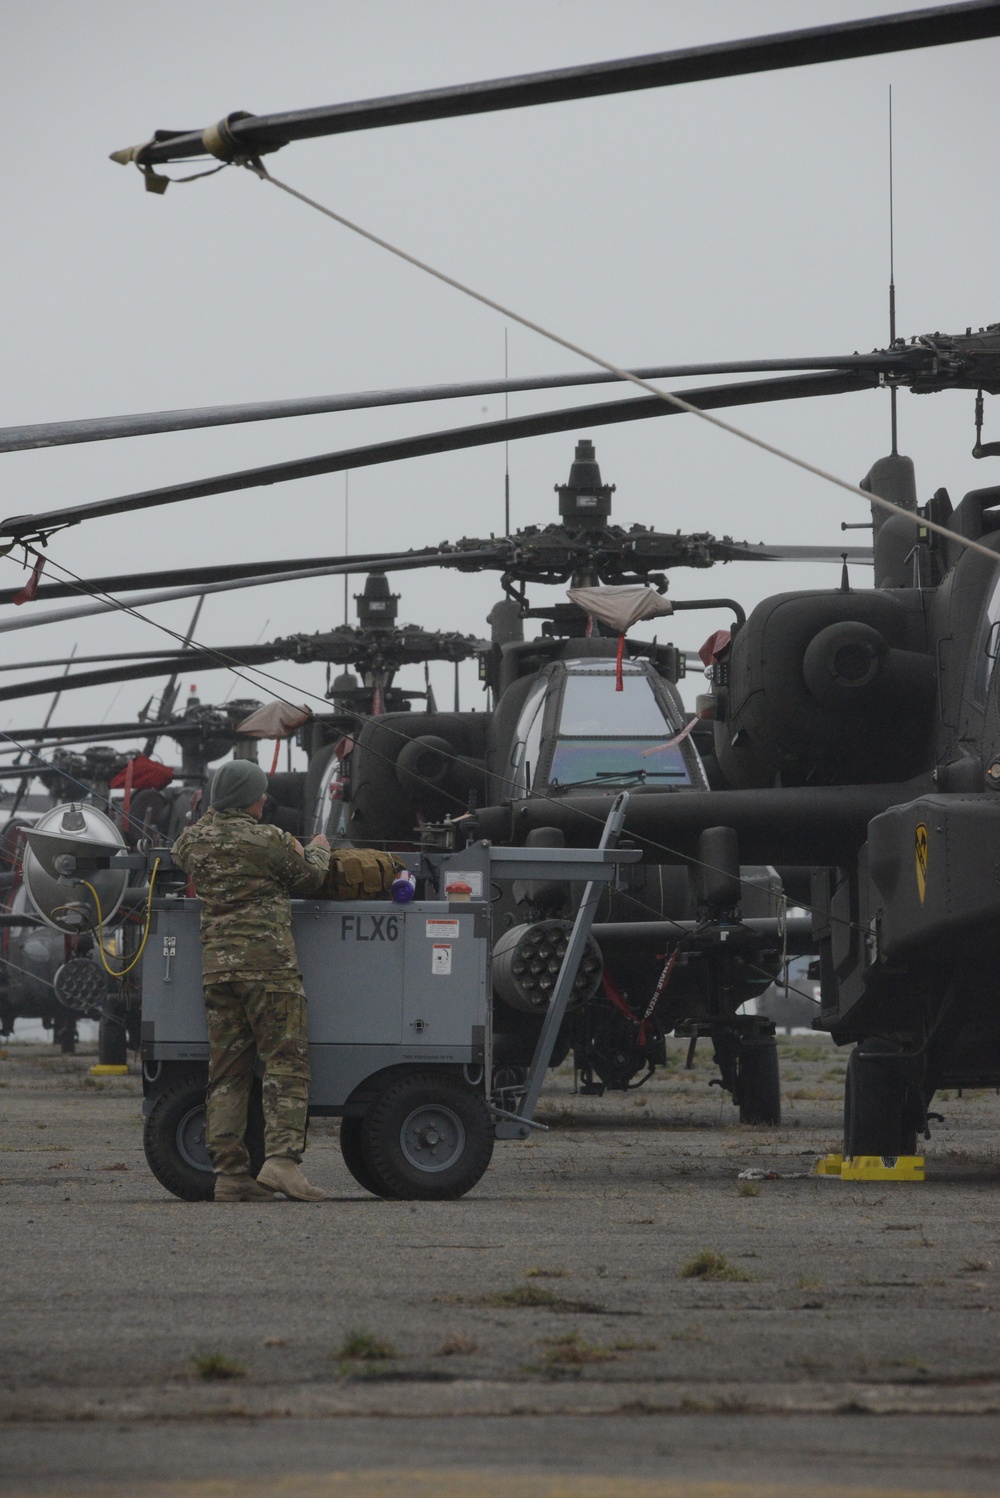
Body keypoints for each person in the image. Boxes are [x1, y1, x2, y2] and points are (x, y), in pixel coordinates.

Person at [172, 759, 331, 1203]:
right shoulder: (269, 840)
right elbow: (312, 878)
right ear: (247, 798)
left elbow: (180, 849)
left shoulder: (194, 840)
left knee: (228, 1073)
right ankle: (281, 1163)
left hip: (218, 971)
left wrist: (213, 811)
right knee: (286, 1063)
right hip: (269, 969)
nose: (265, 799)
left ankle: (230, 1174)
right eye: (260, 793)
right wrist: (318, 846)